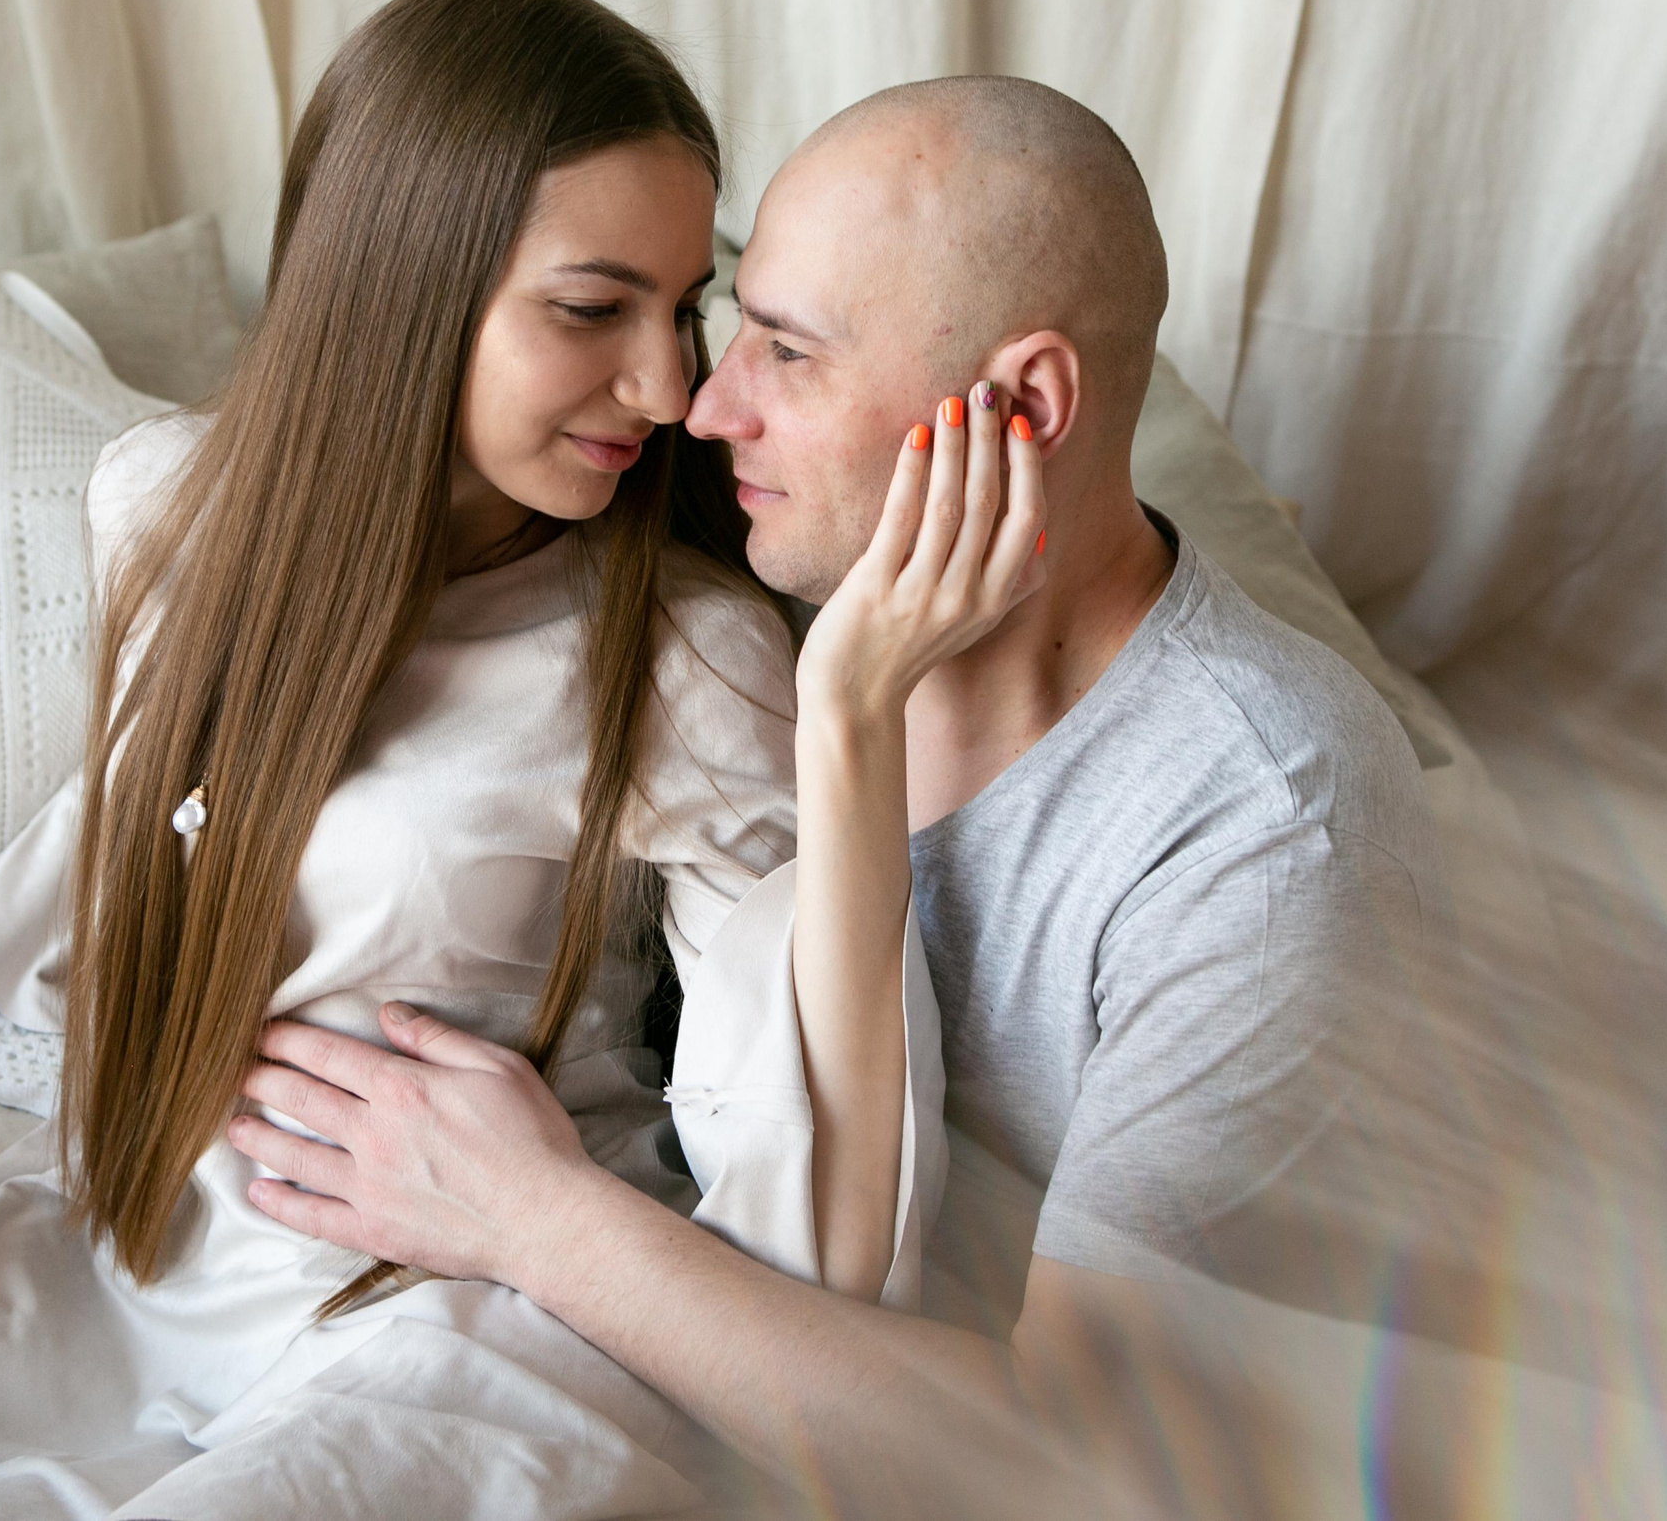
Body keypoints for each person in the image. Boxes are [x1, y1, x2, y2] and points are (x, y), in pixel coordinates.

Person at [0, 0, 1032, 1519]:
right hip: (138, 1253)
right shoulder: (167, 504)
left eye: (687, 311)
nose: (671, 390)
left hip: (457, 1321)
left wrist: (853, 722)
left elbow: (830, 1236)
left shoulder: (680, 660)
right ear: (403, 282)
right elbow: (145, 792)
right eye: (596, 310)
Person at [230, 75, 1453, 1515]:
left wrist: (533, 1220)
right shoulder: (771, 594)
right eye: (734, 319)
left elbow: (1086, 1461)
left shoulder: (1261, 827)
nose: (704, 403)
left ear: (1025, 407)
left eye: (790, 353)